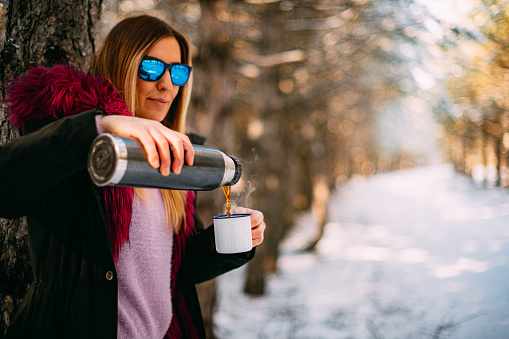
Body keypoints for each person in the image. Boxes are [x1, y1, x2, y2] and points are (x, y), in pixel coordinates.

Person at [0, 14, 265, 339]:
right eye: (151, 68)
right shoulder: (76, 143)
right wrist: (101, 127)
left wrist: (229, 243)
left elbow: (173, 272)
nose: (166, 84)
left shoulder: (174, 159)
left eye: (178, 71)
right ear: (122, 64)